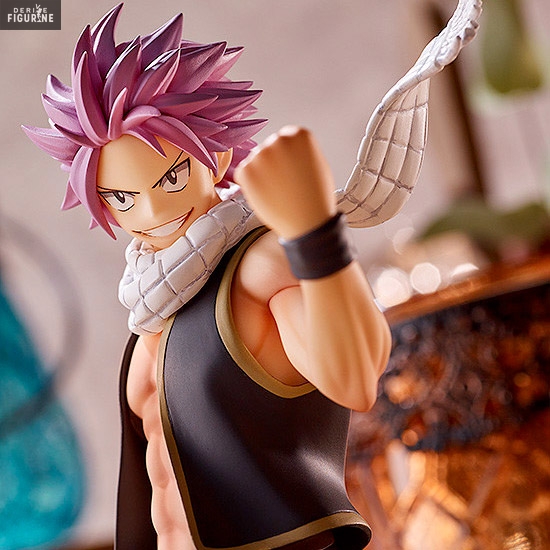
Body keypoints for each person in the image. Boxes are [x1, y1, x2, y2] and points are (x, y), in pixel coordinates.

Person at [23, 5, 391, 549]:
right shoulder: (154, 304)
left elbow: (355, 379)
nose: (151, 212)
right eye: (121, 197)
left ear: (215, 158)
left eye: (171, 178)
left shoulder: (260, 265)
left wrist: (315, 231)